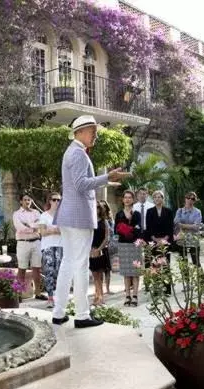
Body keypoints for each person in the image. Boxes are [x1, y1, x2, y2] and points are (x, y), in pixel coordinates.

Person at [51, 115, 129, 328]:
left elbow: (77, 184)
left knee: (68, 263)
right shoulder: (78, 154)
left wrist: (106, 179)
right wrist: (107, 177)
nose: (95, 134)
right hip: (78, 217)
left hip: (69, 216)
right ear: (80, 132)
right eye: (92, 131)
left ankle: (59, 312)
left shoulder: (73, 152)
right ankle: (82, 315)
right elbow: (80, 184)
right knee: (80, 264)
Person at [12, 193, 46, 300]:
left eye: (29, 200)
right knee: (22, 269)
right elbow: (20, 228)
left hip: (36, 242)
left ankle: (38, 293)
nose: (27, 202)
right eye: (25, 199)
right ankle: (18, 295)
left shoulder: (36, 212)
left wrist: (29, 226)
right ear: (21, 201)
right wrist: (33, 228)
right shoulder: (16, 214)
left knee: (37, 268)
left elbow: (41, 226)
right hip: (23, 243)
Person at [115, 190, 143, 306]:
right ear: (123, 200)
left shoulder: (136, 214)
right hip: (123, 245)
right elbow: (117, 230)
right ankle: (127, 296)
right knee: (126, 272)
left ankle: (135, 296)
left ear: (133, 200)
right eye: (125, 197)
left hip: (135, 244)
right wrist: (129, 229)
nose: (127, 199)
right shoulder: (119, 214)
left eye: (129, 198)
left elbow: (138, 229)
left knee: (135, 272)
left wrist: (127, 229)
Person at [144, 190, 175, 294]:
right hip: (153, 241)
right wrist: (155, 239)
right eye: (155, 197)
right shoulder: (149, 211)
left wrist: (164, 239)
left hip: (165, 241)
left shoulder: (169, 211)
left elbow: (171, 227)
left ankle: (167, 289)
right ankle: (156, 288)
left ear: (163, 199)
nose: (157, 199)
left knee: (166, 265)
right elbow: (148, 228)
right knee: (155, 265)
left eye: (159, 197)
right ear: (153, 199)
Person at [39, 192, 63, 309]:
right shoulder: (44, 215)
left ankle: (59, 297)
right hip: (47, 246)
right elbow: (42, 232)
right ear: (50, 201)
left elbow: (65, 231)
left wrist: (50, 229)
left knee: (60, 271)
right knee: (49, 271)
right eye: (54, 200)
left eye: (59, 200)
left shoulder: (63, 215)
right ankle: (50, 298)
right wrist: (56, 230)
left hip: (61, 246)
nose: (57, 202)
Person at [174, 191, 203, 266]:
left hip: (193, 241)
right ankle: (185, 278)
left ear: (195, 200)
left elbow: (196, 226)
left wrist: (183, 225)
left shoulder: (197, 212)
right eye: (188, 198)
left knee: (196, 263)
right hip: (181, 241)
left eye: (192, 198)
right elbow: (176, 223)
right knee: (183, 264)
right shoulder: (179, 211)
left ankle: (200, 278)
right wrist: (191, 226)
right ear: (185, 199)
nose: (190, 200)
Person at [90, 203, 110, 306]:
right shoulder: (89, 221)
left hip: (101, 251)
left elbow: (107, 237)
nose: (96, 209)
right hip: (91, 251)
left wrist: (99, 249)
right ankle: (97, 296)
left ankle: (100, 297)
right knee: (95, 276)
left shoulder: (104, 221)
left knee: (100, 276)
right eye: (94, 207)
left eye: (98, 207)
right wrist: (91, 250)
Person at [99, 199, 115, 295]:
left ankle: (107, 289)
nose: (102, 208)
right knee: (99, 269)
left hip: (109, 246)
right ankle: (99, 289)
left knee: (108, 269)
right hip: (99, 245)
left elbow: (113, 232)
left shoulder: (109, 219)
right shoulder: (96, 218)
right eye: (100, 206)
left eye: (104, 206)